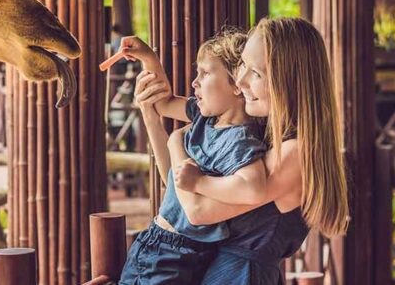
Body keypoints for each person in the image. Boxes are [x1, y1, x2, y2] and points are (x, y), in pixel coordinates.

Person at [136, 17, 349, 284]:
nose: (241, 80)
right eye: (243, 66)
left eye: (256, 73)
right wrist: (152, 117)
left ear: (289, 81)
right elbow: (178, 192)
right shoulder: (266, 134)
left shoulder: (295, 153)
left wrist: (176, 141)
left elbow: (197, 210)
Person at [118, 29, 268, 284]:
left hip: (173, 253)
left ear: (236, 84)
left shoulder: (240, 141)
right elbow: (162, 103)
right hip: (160, 242)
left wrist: (198, 180)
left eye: (205, 73)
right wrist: (148, 58)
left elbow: (253, 183)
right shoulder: (205, 118)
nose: (194, 82)